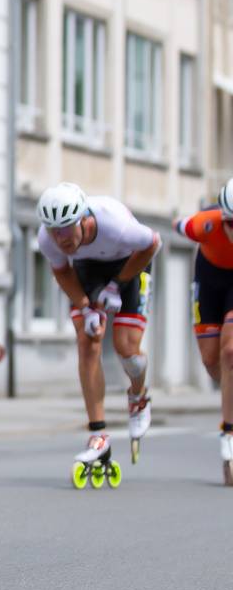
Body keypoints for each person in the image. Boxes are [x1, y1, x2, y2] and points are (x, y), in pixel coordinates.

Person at [36, 182, 160, 481]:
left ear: (84, 219)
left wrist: (117, 285)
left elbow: (153, 243)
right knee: (87, 341)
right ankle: (98, 434)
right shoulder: (48, 238)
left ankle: (138, 395)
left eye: (66, 228)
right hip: (87, 269)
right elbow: (62, 271)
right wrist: (86, 306)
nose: (61, 238)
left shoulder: (114, 224)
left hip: (130, 263)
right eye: (54, 231)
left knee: (127, 351)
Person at [173, 178, 233, 484]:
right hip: (209, 280)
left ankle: (229, 429)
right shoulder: (205, 224)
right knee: (211, 361)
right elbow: (176, 225)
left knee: (230, 350)